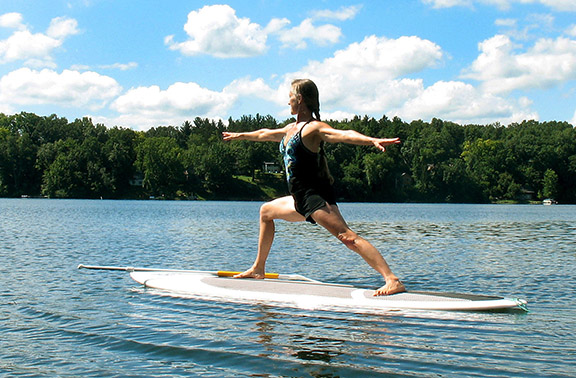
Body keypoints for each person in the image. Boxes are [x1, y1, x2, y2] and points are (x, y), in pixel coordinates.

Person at [222, 79, 405, 296]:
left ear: (299, 100)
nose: (287, 100)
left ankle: (392, 279)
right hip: (299, 199)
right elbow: (263, 133)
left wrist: (371, 140)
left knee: (347, 237)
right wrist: (239, 136)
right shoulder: (290, 129)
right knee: (266, 212)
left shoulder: (313, 129)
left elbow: (344, 135)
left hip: (316, 197)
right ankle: (258, 268)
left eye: (290, 96)